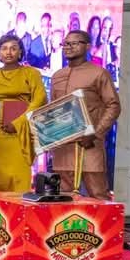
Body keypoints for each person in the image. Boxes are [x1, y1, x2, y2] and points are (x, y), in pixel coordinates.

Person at [50, 30, 121, 200]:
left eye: (74, 43)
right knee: (63, 199)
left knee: (97, 196)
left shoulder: (99, 73)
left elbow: (113, 106)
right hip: (63, 149)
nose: (68, 47)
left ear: (87, 46)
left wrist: (95, 133)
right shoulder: (57, 76)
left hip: (89, 145)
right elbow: (53, 110)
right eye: (66, 44)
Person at [0, 34, 47, 193]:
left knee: (18, 179)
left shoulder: (31, 73)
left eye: (13, 48)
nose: (8, 52)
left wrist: (18, 123)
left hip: (20, 133)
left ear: (20, 52)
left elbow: (40, 99)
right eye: (4, 49)